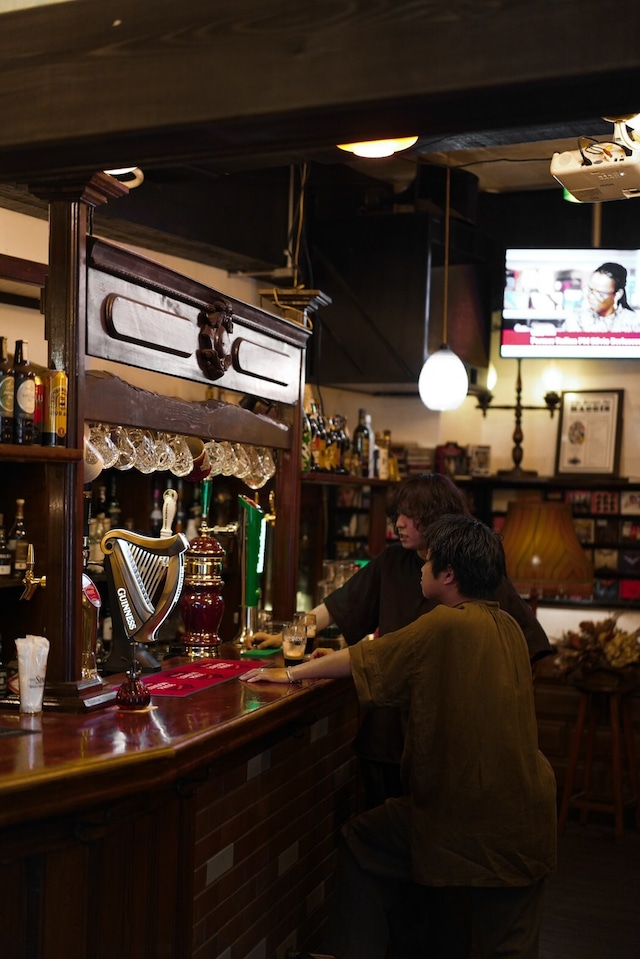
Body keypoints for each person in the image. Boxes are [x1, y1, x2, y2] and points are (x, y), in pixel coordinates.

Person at [241, 514, 557, 959]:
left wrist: (289, 672)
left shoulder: (445, 623)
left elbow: (365, 658)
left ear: (448, 574)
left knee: (363, 839)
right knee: (509, 943)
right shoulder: (506, 625)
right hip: (531, 815)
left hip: (467, 816)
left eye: (426, 564)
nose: (420, 570)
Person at [250, 473, 552, 807]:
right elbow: (337, 607)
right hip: (389, 727)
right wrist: (288, 636)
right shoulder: (392, 561)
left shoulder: (474, 571)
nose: (400, 524)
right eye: (398, 515)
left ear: (437, 517)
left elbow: (528, 648)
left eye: (411, 515)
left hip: (448, 738)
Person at [565, 261, 638, 333]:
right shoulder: (576, 319)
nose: (591, 297)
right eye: (590, 290)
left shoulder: (633, 322)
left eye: (600, 294)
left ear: (617, 294)